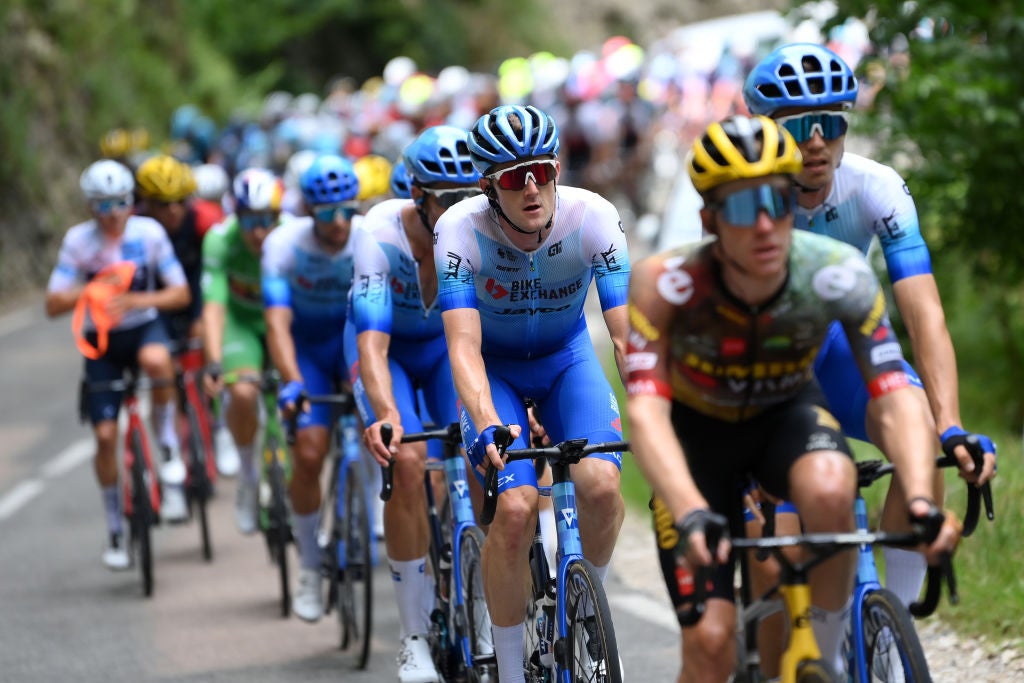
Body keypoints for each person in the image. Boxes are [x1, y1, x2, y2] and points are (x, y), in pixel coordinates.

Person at [625, 114, 962, 683]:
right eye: (741, 207)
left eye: (778, 202)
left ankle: (823, 660)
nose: (764, 224)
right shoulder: (666, 283)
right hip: (697, 437)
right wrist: (689, 509)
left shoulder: (836, 272)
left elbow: (895, 394)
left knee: (833, 485)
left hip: (786, 414)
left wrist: (923, 501)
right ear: (709, 220)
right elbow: (647, 411)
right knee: (710, 645)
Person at [742, 42, 996, 610]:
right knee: (780, 559)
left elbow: (924, 312)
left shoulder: (874, 186)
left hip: (843, 348)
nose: (816, 141)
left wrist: (951, 423)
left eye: (830, 123)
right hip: (767, 366)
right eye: (799, 126)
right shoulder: (744, 200)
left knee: (921, 434)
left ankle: (892, 631)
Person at [433, 104, 630, 683]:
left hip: (567, 359)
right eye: (513, 178)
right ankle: (511, 669)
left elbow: (626, 337)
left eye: (540, 172)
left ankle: (587, 609)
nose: (530, 188)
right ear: (487, 188)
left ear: (556, 171)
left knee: (601, 486)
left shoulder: (593, 217)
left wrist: (653, 410)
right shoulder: (459, 231)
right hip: (494, 368)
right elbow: (463, 347)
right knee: (517, 509)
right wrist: (486, 419)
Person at [351, 125, 482, 683]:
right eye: (447, 199)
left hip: (445, 354)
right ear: (417, 195)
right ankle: (412, 637)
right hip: (391, 355)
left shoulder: (481, 228)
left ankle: (479, 584)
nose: (460, 209)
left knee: (486, 452)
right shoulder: (377, 235)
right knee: (407, 461)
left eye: (469, 196)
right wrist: (387, 414)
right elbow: (372, 347)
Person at [46, 159, 192, 569]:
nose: (113, 214)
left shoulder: (149, 233)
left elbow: (180, 294)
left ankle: (167, 444)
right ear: (90, 207)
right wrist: (95, 288)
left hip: (144, 326)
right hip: (103, 340)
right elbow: (53, 303)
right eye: (103, 205)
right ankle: (114, 525)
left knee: (157, 359)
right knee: (106, 435)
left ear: (133, 202)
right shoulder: (78, 242)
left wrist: (135, 300)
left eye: (121, 203)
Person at [261, 154, 361, 622]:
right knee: (308, 452)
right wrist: (292, 381)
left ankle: (369, 511)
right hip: (306, 351)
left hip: (354, 342)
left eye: (347, 209)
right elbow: (277, 323)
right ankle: (308, 564)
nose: (339, 221)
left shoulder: (367, 237)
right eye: (327, 212)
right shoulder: (283, 244)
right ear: (307, 211)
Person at [201, 167, 286, 532]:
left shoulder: (291, 235)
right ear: (236, 216)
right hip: (241, 324)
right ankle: (248, 473)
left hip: (283, 322)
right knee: (242, 392)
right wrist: (213, 362)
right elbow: (214, 306)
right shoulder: (219, 240)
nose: (258, 231)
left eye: (267, 220)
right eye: (249, 221)